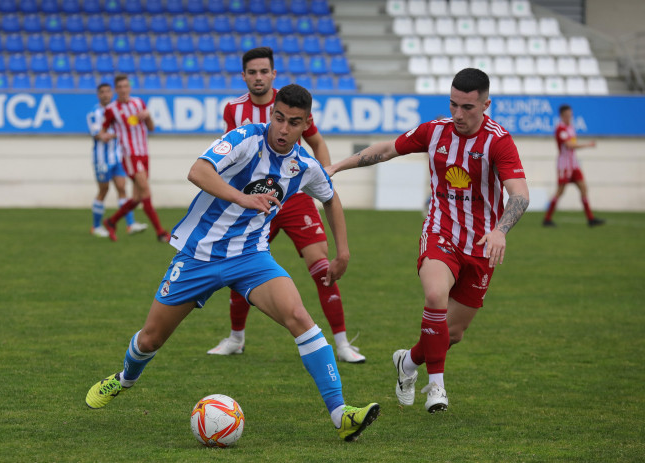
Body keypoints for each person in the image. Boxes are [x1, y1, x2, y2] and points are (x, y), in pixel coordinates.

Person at [85, 84, 380, 442]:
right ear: (272, 114)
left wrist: (343, 252)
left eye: (294, 123)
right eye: (279, 118)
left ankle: (341, 414)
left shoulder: (304, 165)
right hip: (199, 255)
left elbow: (331, 199)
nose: (284, 129)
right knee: (150, 339)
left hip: (250, 257)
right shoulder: (244, 138)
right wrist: (243, 198)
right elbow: (197, 171)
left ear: (307, 125)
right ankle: (125, 379)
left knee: (300, 318)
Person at [326, 68, 530, 413]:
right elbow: (388, 149)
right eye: (453, 105)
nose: (458, 114)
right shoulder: (435, 131)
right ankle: (436, 387)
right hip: (440, 232)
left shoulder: (498, 141)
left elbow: (520, 195)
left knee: (452, 334)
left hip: (480, 245)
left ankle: (408, 363)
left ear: (486, 105)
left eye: (467, 107)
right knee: (435, 295)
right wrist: (336, 167)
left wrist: (500, 230)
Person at [208, 47, 366, 364]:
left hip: (293, 198)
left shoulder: (292, 103)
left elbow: (317, 142)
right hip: (254, 203)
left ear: (273, 74)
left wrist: (324, 179)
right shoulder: (234, 110)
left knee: (321, 266)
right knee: (241, 268)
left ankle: (342, 343)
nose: (258, 77)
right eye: (252, 72)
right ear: (244, 76)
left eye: (263, 71)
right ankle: (236, 338)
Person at [100, 74, 170, 242]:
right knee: (146, 191)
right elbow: (103, 130)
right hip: (130, 155)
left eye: (126, 86)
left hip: (144, 153)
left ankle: (111, 221)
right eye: (120, 87)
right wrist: (106, 136)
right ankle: (160, 232)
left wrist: (148, 116)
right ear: (116, 90)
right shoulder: (112, 109)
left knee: (138, 198)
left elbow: (151, 128)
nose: (123, 90)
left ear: (129, 87)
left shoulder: (138, 103)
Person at [87, 83, 147, 238]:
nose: (106, 94)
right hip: (102, 159)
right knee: (104, 190)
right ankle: (96, 226)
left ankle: (130, 224)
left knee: (122, 188)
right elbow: (99, 135)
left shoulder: (116, 110)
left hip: (118, 157)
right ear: (98, 95)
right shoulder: (94, 113)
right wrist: (118, 133)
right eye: (102, 92)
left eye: (108, 91)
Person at [542, 104, 605, 227]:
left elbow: (572, 144)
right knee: (560, 191)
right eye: (566, 115)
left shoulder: (571, 127)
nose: (569, 117)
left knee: (583, 188)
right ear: (561, 116)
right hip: (564, 166)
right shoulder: (560, 129)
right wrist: (588, 145)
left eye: (570, 115)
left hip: (574, 164)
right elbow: (569, 145)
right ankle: (547, 219)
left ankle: (590, 219)